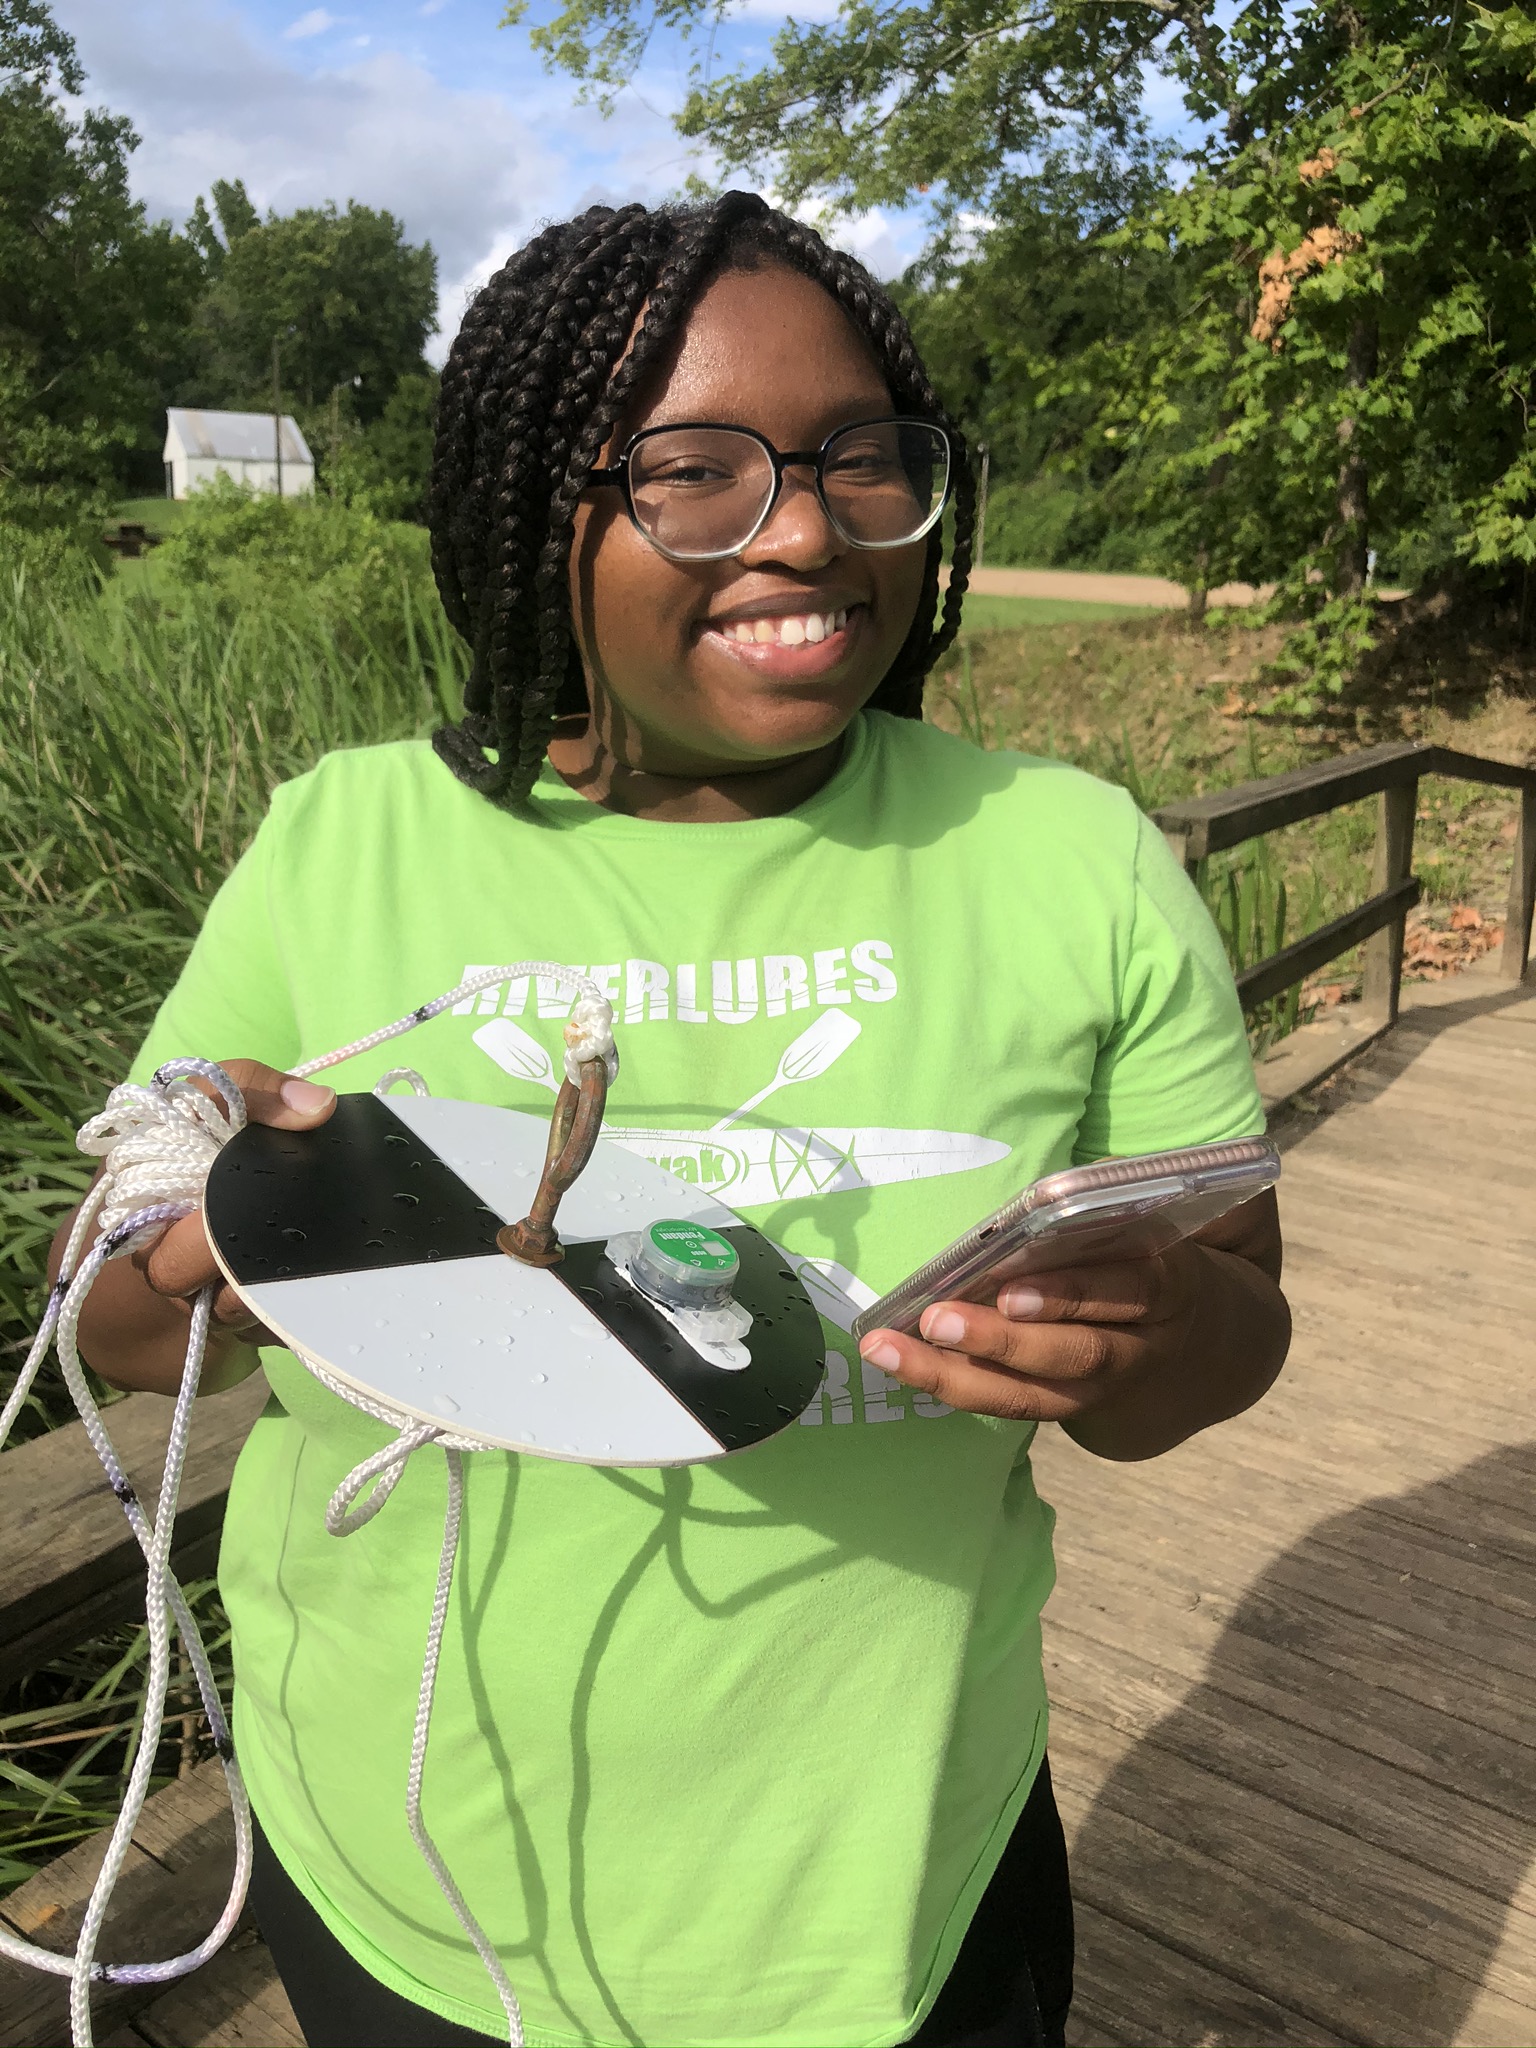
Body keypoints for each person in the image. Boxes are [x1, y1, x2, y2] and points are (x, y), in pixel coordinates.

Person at [55, 191, 1291, 2048]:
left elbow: (1233, 1331)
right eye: (689, 474)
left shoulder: (1071, 863)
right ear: (534, 511)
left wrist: (1155, 1338)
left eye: (861, 461)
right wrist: (229, 1223)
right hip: (411, 1869)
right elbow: (115, 1331)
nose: (804, 528)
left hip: (891, 1883)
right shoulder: (345, 842)